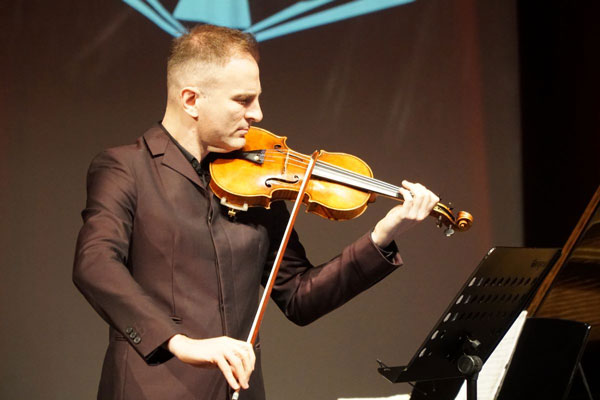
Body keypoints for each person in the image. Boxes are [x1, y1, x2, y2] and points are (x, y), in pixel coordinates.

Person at [73, 24, 439, 400]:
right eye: (243, 100)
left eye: (257, 99)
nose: (258, 114)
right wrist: (178, 342)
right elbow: (95, 263)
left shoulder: (255, 182)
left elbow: (299, 296)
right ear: (191, 100)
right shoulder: (126, 168)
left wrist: (382, 236)